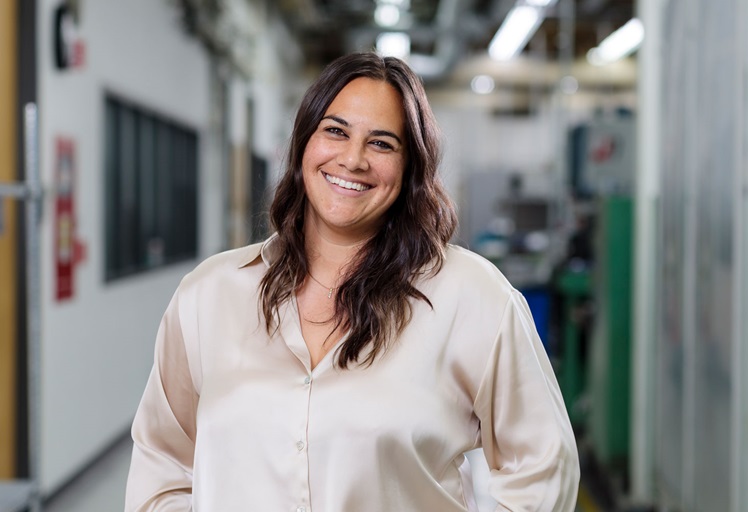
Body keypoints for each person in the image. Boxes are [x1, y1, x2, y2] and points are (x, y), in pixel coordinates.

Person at [124, 52, 579, 511]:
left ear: (410, 168)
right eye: (335, 131)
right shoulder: (210, 294)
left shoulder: (472, 297)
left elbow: (541, 465)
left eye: (382, 144)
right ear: (304, 142)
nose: (353, 159)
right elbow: (163, 462)